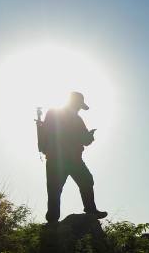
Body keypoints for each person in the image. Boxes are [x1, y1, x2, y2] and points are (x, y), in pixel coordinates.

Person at [41, 91, 107, 223]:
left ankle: (90, 210)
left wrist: (89, 137)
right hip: (60, 159)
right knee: (55, 189)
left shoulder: (70, 117)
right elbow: (58, 135)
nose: (79, 109)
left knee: (84, 181)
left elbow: (84, 140)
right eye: (79, 105)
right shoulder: (56, 114)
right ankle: (53, 221)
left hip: (69, 158)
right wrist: (85, 137)